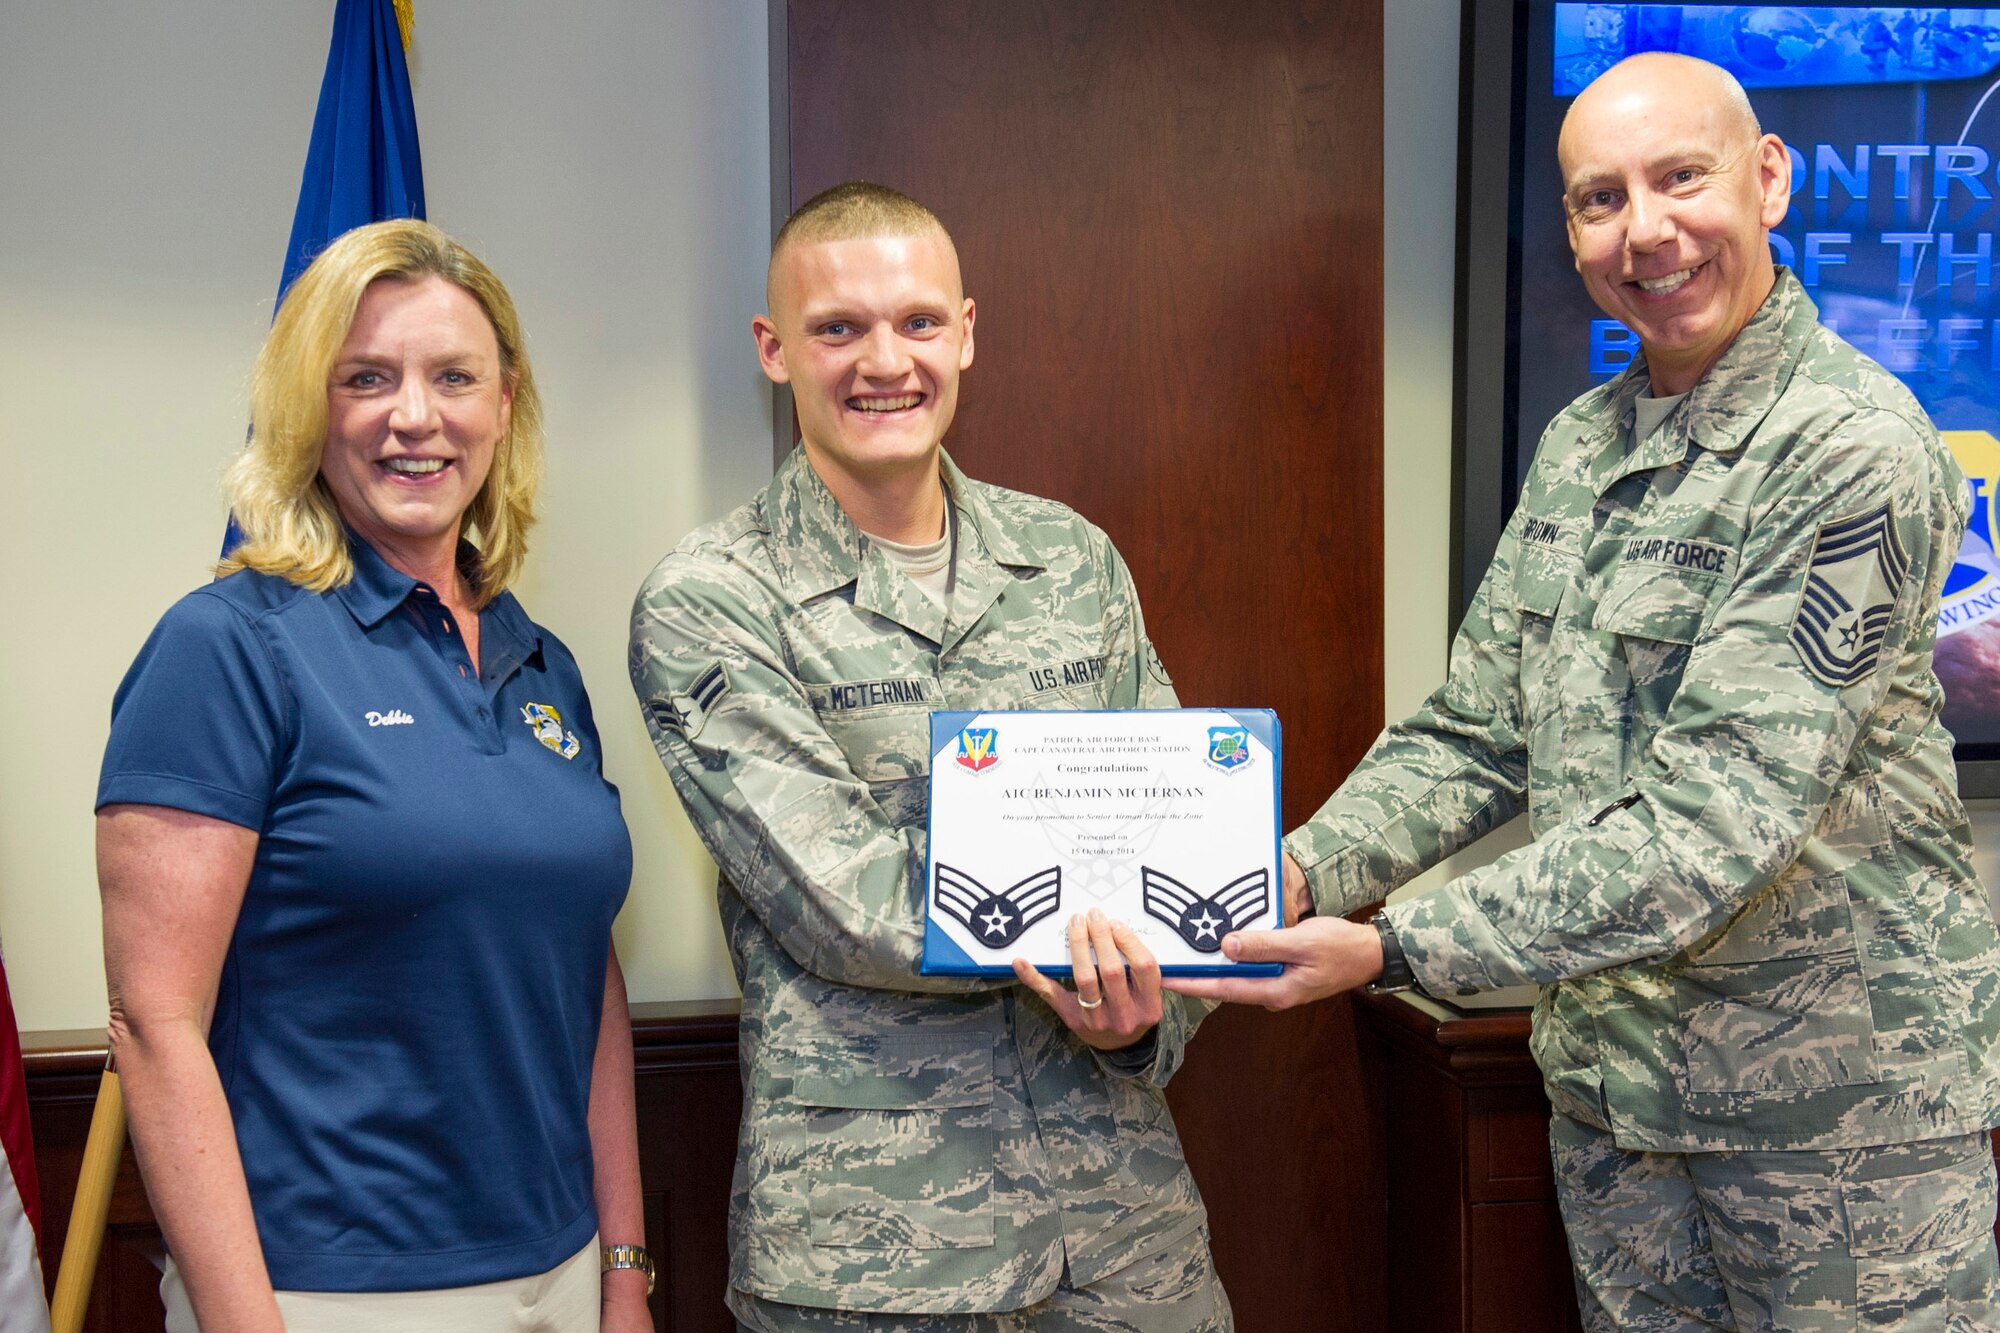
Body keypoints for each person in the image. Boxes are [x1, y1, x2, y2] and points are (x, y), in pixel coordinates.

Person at [1171, 53, 2000, 1331]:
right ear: (1569, 231)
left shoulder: (1852, 450)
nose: (1646, 232)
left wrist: (1393, 945)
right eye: (1599, 199)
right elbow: (1472, 733)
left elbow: (1707, 825)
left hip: (1836, 1136)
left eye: (1681, 179)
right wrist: (1286, 875)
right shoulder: (1580, 442)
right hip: (1617, 1106)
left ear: (1767, 179)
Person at [629, 182, 1228, 1332]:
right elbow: (841, 904)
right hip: (877, 1257)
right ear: (773, 350)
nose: (881, 361)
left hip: (1125, 1235)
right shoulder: (712, 601)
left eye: (913, 322)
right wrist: (1101, 931)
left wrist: (1146, 1012)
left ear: (964, 332)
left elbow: (1178, 853)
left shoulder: (1070, 559)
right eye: (836, 328)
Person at [96, 219, 651, 1333]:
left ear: (502, 409)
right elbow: (156, 1024)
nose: (415, 416)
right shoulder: (228, 648)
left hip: (561, 1272)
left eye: (455, 377)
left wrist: (624, 1270)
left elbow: (583, 978)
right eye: (367, 378)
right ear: (310, 410)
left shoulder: (544, 663)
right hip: (326, 1294)